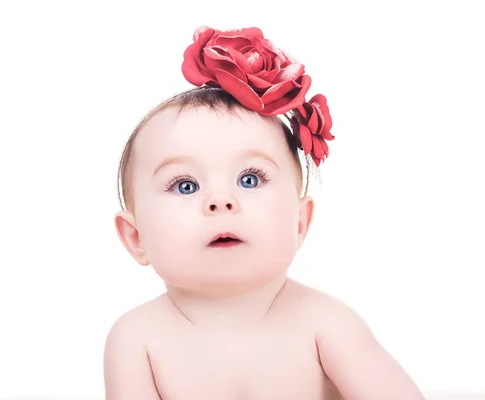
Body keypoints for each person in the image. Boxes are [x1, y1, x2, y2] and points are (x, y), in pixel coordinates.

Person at [104, 25, 425, 400]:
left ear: (300, 221)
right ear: (136, 237)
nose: (221, 202)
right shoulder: (136, 339)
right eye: (185, 185)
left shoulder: (326, 325)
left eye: (250, 179)